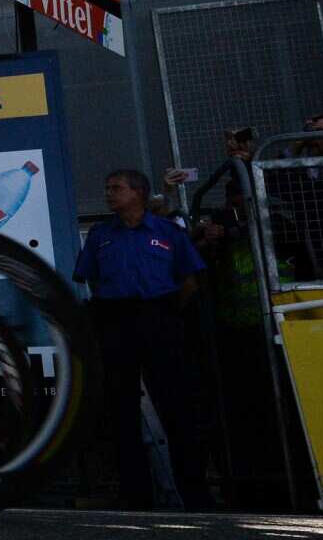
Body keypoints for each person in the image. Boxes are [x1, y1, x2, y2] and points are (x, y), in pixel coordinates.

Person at [74, 169, 211, 510]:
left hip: (160, 319)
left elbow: (189, 282)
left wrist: (164, 313)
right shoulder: (101, 234)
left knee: (177, 406)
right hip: (115, 320)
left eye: (116, 188)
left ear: (138, 193)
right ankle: (135, 492)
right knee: (121, 408)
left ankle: (194, 492)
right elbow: (87, 277)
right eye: (107, 188)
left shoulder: (168, 232)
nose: (108, 194)